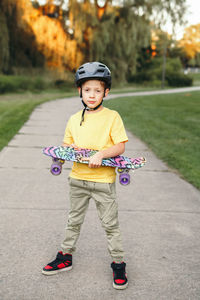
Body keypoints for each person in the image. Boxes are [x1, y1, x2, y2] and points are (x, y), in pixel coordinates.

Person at [42, 62, 129, 290]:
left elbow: (120, 146)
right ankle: (66, 256)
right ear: (79, 91)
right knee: (73, 221)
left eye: (98, 90)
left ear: (106, 92)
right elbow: (66, 146)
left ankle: (118, 263)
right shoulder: (73, 119)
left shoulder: (112, 117)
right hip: (78, 180)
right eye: (87, 89)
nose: (92, 95)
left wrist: (101, 153)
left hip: (103, 182)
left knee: (111, 225)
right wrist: (60, 158)